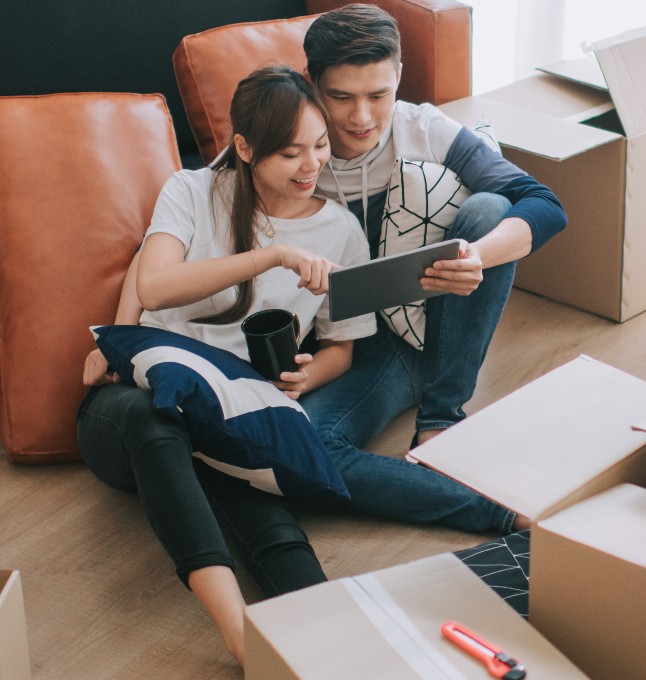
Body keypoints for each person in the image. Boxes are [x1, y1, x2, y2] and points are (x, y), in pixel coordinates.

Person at [76, 65, 377, 665]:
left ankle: (341, 651)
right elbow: (156, 286)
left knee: (261, 508)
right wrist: (270, 257)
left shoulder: (341, 231)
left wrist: (306, 378)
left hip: (231, 409)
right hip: (140, 400)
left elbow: (340, 347)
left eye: (319, 147)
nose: (312, 165)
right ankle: (238, 634)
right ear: (244, 148)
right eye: (291, 152)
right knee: (153, 416)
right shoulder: (190, 191)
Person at [296, 4, 567, 530]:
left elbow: (544, 204)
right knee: (305, 450)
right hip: (343, 350)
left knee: (489, 211)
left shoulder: (424, 129)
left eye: (378, 94)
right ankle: (497, 511)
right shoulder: (288, 140)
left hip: (428, 335)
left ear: (399, 75)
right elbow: (203, 205)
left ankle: (442, 418)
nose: (361, 118)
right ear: (312, 84)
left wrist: (476, 258)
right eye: (341, 97)